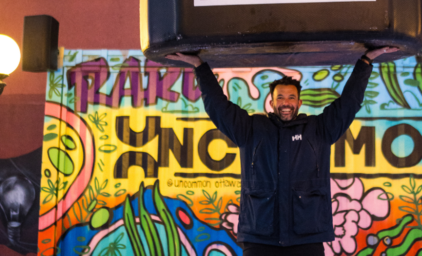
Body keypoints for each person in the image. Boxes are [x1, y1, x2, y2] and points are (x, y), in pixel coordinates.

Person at [166, 47, 399, 256]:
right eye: (280, 97)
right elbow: (218, 107)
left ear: (299, 103)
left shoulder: (319, 129)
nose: (285, 102)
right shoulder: (250, 129)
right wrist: (199, 66)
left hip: (307, 238)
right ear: (271, 101)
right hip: (260, 238)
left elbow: (349, 103)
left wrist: (366, 61)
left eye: (291, 97)